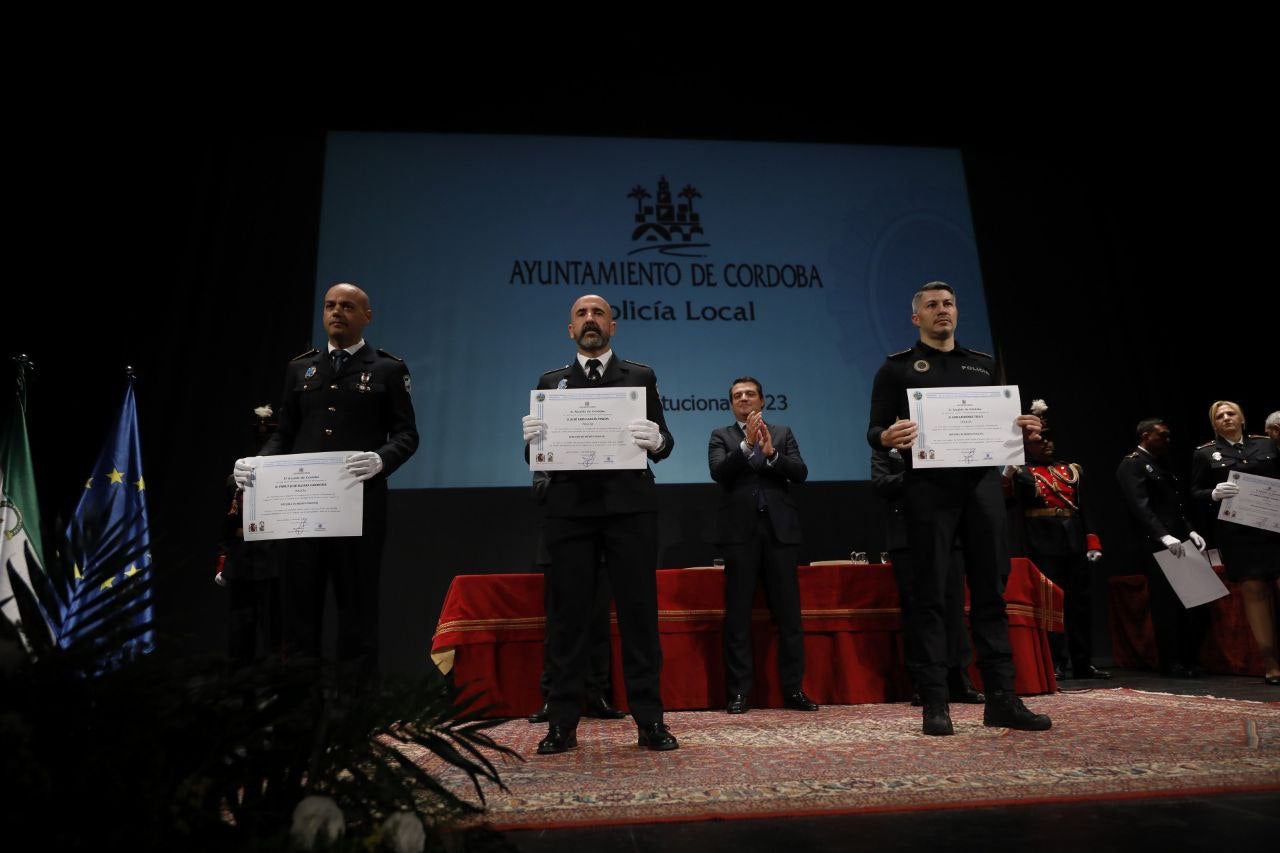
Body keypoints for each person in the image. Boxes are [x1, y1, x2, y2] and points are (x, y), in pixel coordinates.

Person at [866, 281, 1050, 736]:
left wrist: (1022, 430)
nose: (942, 310)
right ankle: (935, 702)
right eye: (932, 305)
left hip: (982, 488)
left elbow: (1003, 427)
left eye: (948, 303)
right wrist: (886, 437)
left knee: (991, 593)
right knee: (930, 596)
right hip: (927, 490)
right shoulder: (896, 369)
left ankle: (1002, 699)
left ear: (957, 311)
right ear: (917, 318)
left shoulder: (983, 366)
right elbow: (874, 430)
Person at [232, 282, 419, 690]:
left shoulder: (387, 369)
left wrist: (381, 459)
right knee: (298, 616)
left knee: (357, 615)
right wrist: (258, 462)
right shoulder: (300, 369)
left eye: (348, 306)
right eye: (330, 305)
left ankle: (355, 711)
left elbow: (407, 435)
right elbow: (285, 432)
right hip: (301, 511)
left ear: (367, 316)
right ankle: (302, 710)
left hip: (358, 509)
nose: (337, 312)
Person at [520, 294, 677, 753]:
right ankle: (561, 724)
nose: (590, 320)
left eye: (599, 313)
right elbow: (537, 456)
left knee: (638, 616)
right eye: (581, 314)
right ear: (571, 329)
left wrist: (657, 440)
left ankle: (650, 720)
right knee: (568, 620)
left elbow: (665, 442)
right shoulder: (551, 382)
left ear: (613, 326)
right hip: (570, 511)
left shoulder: (640, 377)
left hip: (629, 510)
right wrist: (530, 443)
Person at [708, 376, 819, 715]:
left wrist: (772, 455)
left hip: (779, 532)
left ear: (762, 400)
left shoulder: (782, 433)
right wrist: (746, 446)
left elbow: (800, 472)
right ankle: (739, 693)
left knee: (789, 617)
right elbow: (719, 473)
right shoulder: (721, 436)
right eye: (737, 395)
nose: (743, 398)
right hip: (739, 534)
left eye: (750, 394)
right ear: (731, 404)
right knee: (738, 617)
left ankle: (793, 690)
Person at [871, 447, 984, 705]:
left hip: (948, 533)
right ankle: (924, 682)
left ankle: (958, 678)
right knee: (916, 611)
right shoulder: (886, 447)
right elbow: (880, 483)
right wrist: (920, 476)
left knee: (954, 606)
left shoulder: (941, 439)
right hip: (906, 537)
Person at [1008, 400, 1109, 681]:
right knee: (1050, 605)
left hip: (1073, 540)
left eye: (1049, 439)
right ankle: (1055, 662)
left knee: (1080, 603)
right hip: (1042, 541)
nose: (1047, 444)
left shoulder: (1071, 470)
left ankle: (1082, 662)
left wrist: (1092, 541)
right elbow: (1011, 505)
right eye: (1040, 440)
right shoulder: (1022, 473)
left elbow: (1085, 510)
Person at [1190, 401, 1280, 686]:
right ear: (1214, 424)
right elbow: (1195, 492)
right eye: (1220, 416)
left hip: (1275, 530)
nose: (1226, 418)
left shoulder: (1267, 445)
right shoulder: (1205, 453)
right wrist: (1213, 494)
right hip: (1238, 535)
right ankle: (1270, 662)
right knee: (1254, 592)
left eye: (1231, 413)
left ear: (1242, 419)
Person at [528, 472, 625, 723]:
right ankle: (552, 695)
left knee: (598, 625)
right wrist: (570, 483)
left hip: (601, 547)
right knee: (558, 627)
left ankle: (597, 694)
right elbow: (539, 489)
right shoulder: (552, 450)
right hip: (560, 546)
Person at [1115, 418, 1208, 678]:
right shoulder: (1132, 464)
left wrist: (1189, 529)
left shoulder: (1161, 462)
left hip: (1179, 538)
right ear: (1146, 435)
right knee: (1166, 604)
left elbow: (1176, 503)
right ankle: (1171, 660)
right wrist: (1163, 536)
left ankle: (1189, 657)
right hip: (1157, 542)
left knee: (1191, 601)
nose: (1168, 440)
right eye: (1162, 436)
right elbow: (1140, 506)